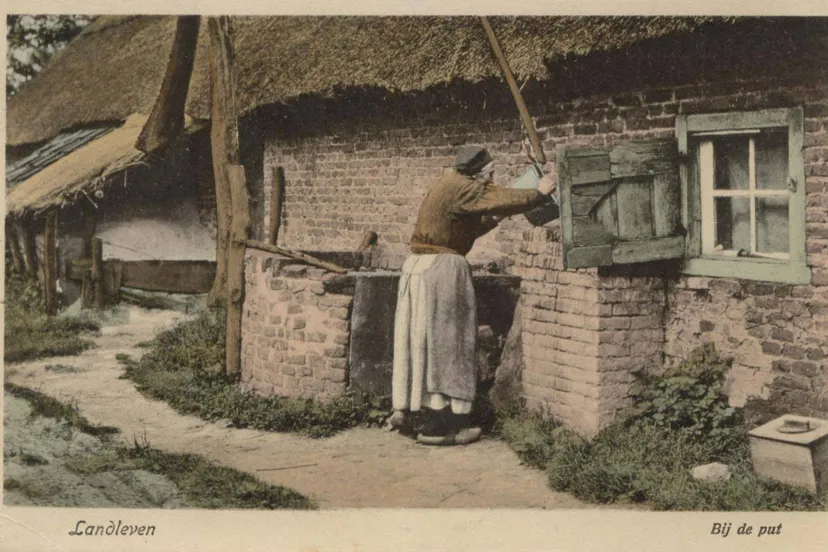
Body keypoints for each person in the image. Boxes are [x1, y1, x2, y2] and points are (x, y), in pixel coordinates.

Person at [390, 145, 557, 445]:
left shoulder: (448, 184)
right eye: (490, 173)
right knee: (450, 344)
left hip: (421, 268)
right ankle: (441, 428)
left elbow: (460, 227)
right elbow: (503, 197)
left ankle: (419, 414)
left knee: (426, 344)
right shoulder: (465, 187)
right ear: (478, 172)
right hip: (441, 270)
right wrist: (540, 192)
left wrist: (493, 221)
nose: (491, 179)